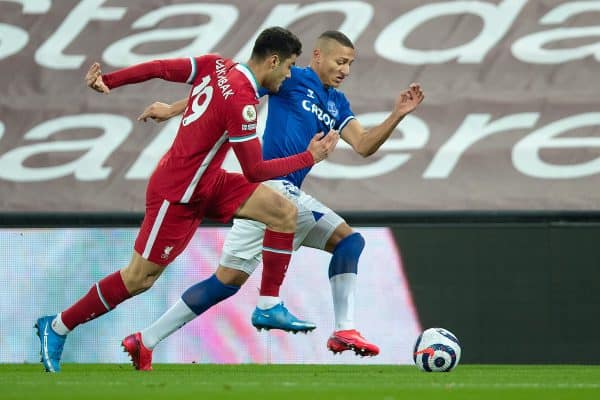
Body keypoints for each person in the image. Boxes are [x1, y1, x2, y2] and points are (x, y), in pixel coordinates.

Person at [34, 26, 340, 373]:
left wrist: (113, 81)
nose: (288, 76)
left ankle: (269, 303)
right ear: (272, 61)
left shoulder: (217, 66)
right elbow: (255, 170)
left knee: (283, 212)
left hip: (210, 181)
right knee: (139, 279)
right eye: (287, 67)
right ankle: (57, 326)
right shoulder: (242, 101)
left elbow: (161, 67)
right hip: (177, 193)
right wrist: (308, 158)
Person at [126, 30, 424, 370]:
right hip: (270, 189)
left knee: (228, 281)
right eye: (340, 61)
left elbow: (365, 145)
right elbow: (233, 92)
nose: (346, 70)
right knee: (346, 242)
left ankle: (144, 340)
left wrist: (398, 114)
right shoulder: (291, 76)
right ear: (317, 57)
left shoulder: (337, 103)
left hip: (281, 194)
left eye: (350, 64)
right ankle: (338, 327)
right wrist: (173, 108)